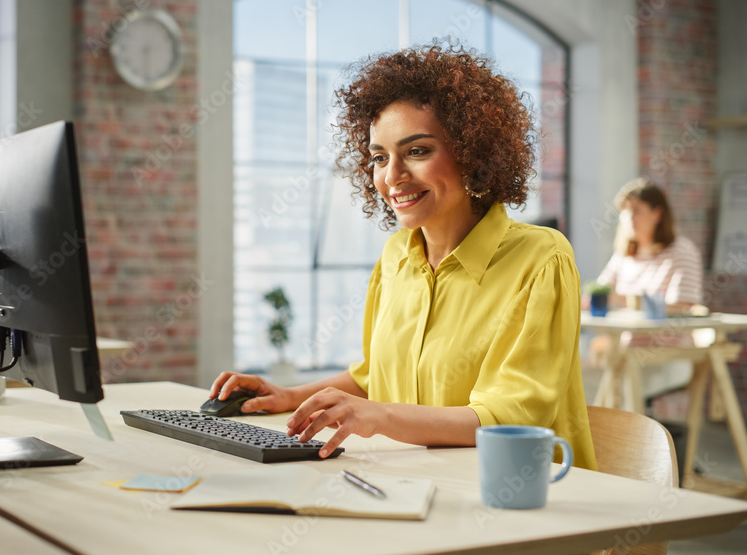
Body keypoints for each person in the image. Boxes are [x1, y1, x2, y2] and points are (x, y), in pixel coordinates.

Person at [210, 43, 596, 470]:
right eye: (379, 158)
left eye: (417, 151)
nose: (391, 176)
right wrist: (288, 395)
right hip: (416, 488)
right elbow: (377, 375)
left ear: (473, 153)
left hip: (521, 502)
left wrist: (380, 417)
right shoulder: (396, 256)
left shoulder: (541, 260)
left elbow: (509, 417)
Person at [595, 179, 704, 398]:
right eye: (624, 211)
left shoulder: (681, 251)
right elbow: (598, 295)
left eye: (636, 210)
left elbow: (683, 306)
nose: (628, 218)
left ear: (657, 213)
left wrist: (622, 300)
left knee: (614, 387)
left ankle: (617, 432)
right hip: (624, 353)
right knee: (569, 379)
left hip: (667, 355)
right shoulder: (623, 257)